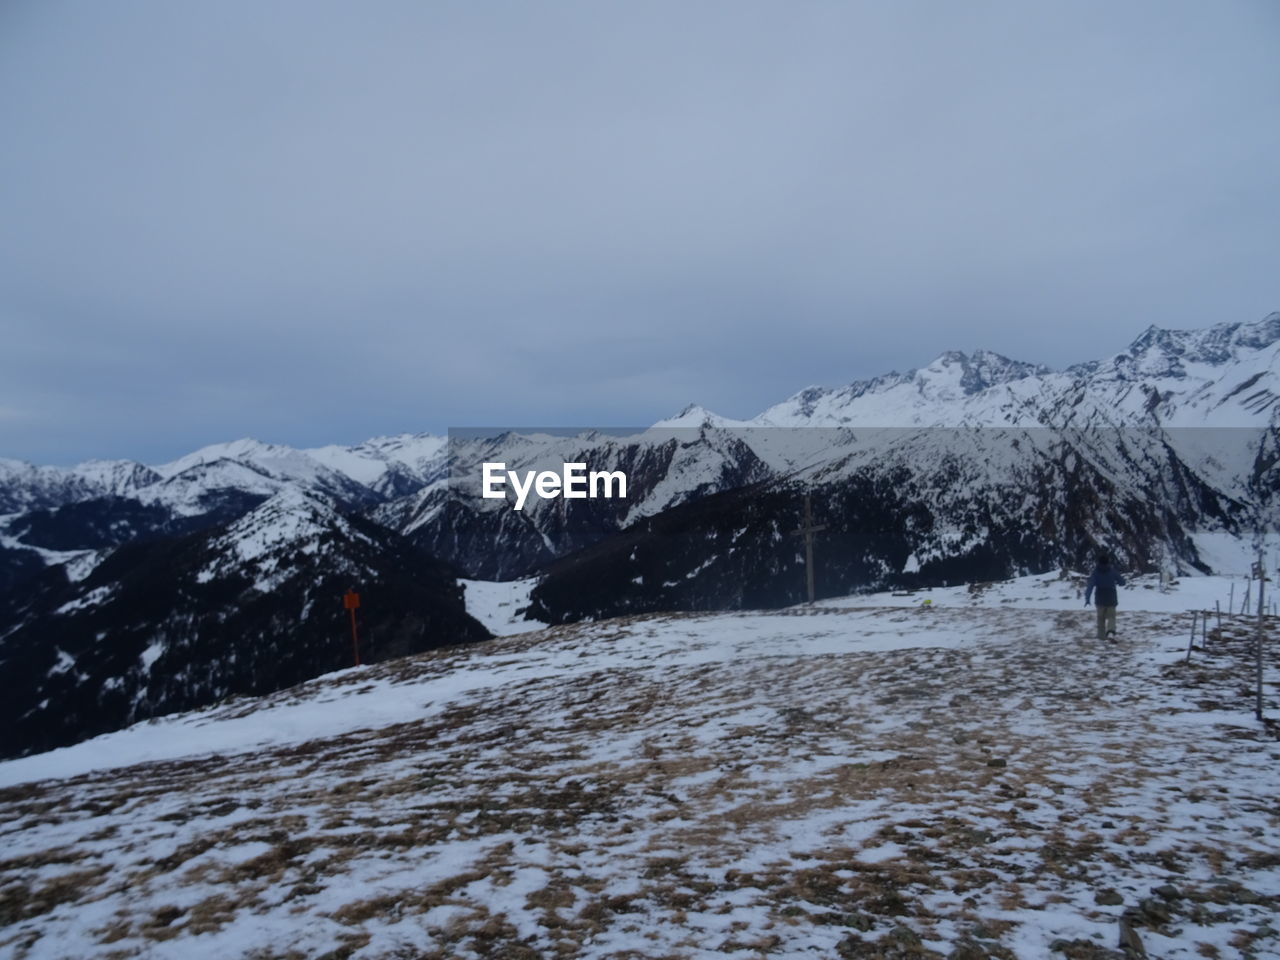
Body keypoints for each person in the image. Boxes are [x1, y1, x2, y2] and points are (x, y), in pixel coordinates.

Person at [1084, 552, 1125, 641]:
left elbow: (1090, 586)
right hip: (1111, 597)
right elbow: (1122, 582)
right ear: (1108, 562)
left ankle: (1101, 636)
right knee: (1111, 617)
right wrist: (1117, 582)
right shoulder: (1112, 571)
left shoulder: (1095, 573)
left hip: (1100, 597)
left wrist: (1087, 598)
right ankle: (1110, 631)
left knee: (1100, 619)